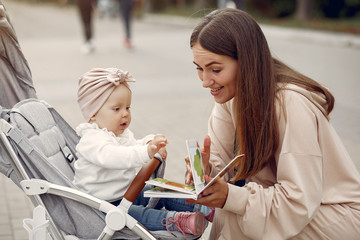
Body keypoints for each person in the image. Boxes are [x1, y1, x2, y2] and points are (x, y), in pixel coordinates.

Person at [185, 8, 360, 240]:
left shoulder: (291, 103)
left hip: (334, 214)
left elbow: (298, 202)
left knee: (237, 217)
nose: (206, 81)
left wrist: (230, 197)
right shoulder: (229, 96)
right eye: (199, 69)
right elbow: (227, 170)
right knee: (230, 213)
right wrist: (207, 173)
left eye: (215, 69)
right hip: (297, 206)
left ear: (246, 62)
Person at [73, 67, 211, 237]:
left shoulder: (119, 134)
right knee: (137, 215)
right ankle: (176, 220)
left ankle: (197, 206)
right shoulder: (92, 140)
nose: (125, 114)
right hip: (104, 206)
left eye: (128, 108)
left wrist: (149, 142)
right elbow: (114, 157)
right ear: (93, 114)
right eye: (117, 109)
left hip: (127, 193)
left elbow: (133, 145)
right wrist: (146, 152)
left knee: (159, 189)